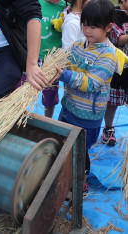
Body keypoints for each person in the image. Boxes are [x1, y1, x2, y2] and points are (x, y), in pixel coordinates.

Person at [53, 0, 119, 196]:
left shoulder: (108, 56)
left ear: (108, 27)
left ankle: (80, 184)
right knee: (64, 144)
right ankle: (64, 177)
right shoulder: (77, 45)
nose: (87, 30)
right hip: (68, 107)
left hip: (87, 117)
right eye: (84, 24)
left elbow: (90, 83)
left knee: (80, 153)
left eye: (93, 26)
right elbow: (67, 63)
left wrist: (64, 75)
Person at [101, 0, 128, 145]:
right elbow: (118, 39)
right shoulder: (116, 15)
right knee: (113, 102)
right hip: (118, 68)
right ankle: (108, 128)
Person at [39, 0, 66, 118]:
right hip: (32, 58)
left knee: (49, 95)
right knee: (22, 90)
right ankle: (20, 118)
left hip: (52, 61)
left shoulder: (65, 8)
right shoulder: (35, 3)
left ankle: (47, 120)